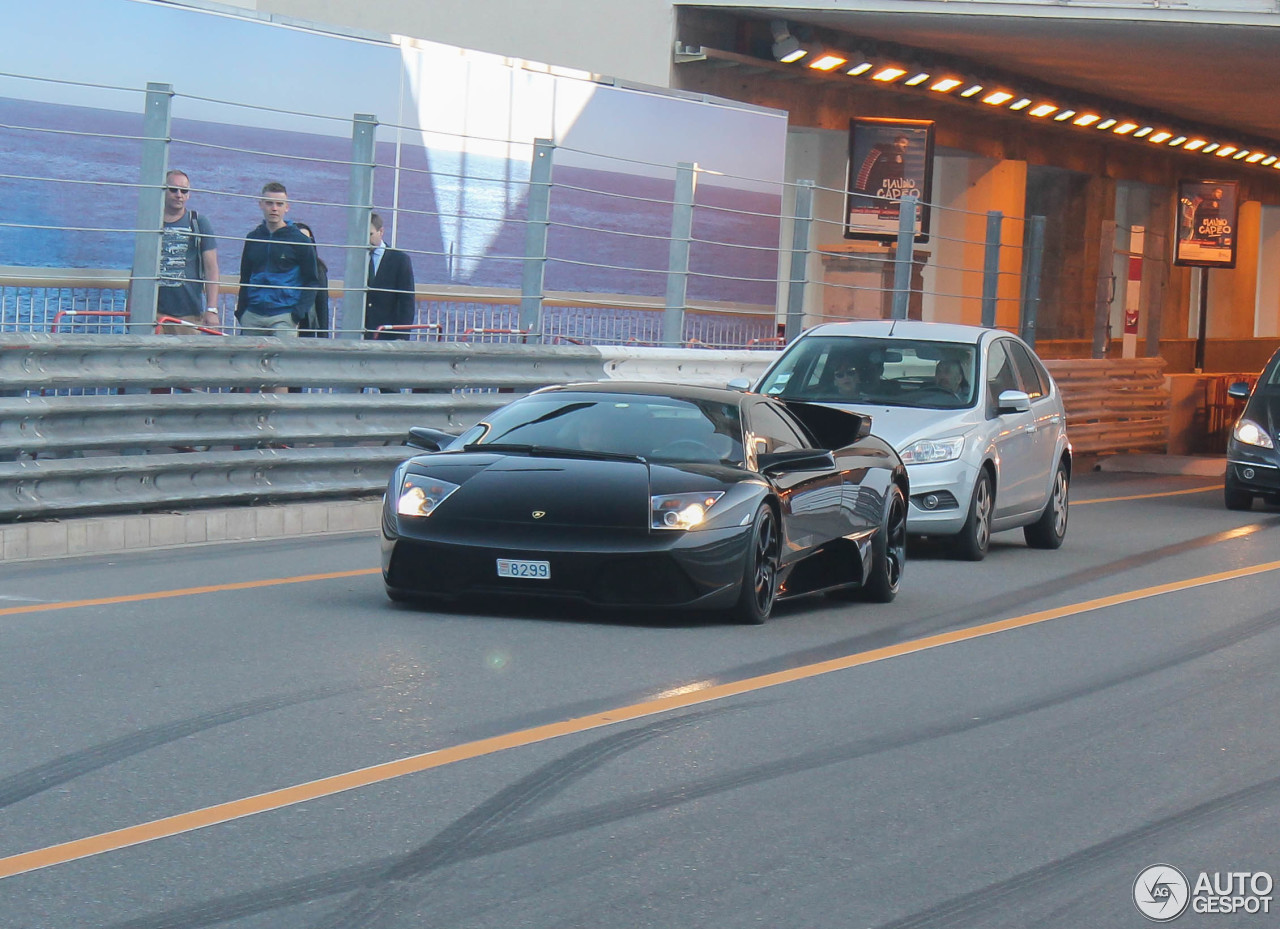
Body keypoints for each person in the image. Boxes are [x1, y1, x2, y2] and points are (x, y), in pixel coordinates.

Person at [235, 182, 319, 338]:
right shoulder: (253, 238)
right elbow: (245, 277)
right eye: (269, 203)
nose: (274, 208)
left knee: (283, 362)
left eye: (279, 204)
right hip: (252, 315)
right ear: (261, 204)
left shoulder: (300, 241)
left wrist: (296, 314)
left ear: (287, 207)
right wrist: (242, 312)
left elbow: (312, 280)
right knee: (248, 362)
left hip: (284, 316)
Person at [156, 169, 220, 334]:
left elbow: (211, 268)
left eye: (184, 190)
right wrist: (131, 305)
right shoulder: (151, 221)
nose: (179, 194)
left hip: (188, 316)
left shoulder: (198, 223)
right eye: (173, 189)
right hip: (153, 313)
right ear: (164, 190)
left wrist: (211, 309)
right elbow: (139, 264)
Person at [363, 212, 416, 340]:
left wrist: (402, 336)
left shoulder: (399, 260)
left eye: (370, 234)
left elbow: (406, 302)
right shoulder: (356, 258)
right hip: (361, 332)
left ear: (381, 232)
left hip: (387, 333)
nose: (365, 239)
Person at [292, 222, 330, 338]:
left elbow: (322, 305)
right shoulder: (283, 266)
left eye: (307, 240)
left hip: (307, 327)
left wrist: (323, 338)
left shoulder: (318, 268)